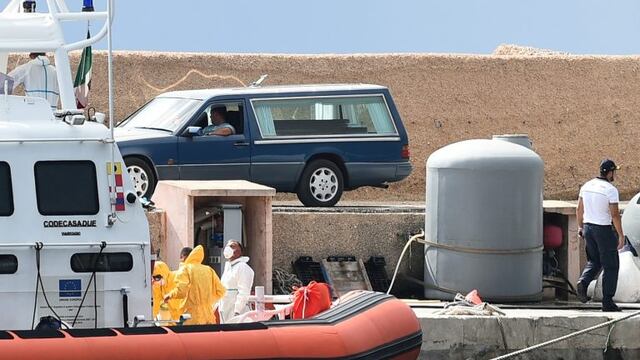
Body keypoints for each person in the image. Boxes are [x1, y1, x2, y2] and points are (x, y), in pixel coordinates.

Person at [576, 159, 625, 312]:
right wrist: (621, 235)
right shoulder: (610, 190)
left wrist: (581, 227)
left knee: (594, 260)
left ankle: (583, 282)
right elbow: (615, 215)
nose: (614, 174)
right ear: (609, 172)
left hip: (588, 228)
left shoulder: (587, 185)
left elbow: (579, 209)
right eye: (614, 171)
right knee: (611, 265)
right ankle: (607, 302)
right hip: (603, 229)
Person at [164, 245, 226, 324]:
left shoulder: (185, 269)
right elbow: (221, 291)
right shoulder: (209, 270)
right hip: (208, 316)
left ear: (183, 257)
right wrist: (207, 302)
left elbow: (181, 292)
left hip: (190, 317)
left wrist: (169, 295)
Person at [219, 240, 254, 323]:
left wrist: (237, 311)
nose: (228, 248)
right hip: (225, 311)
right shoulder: (228, 268)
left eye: (232, 246)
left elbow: (244, 291)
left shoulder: (242, 267)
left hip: (237, 313)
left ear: (239, 252)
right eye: (227, 246)